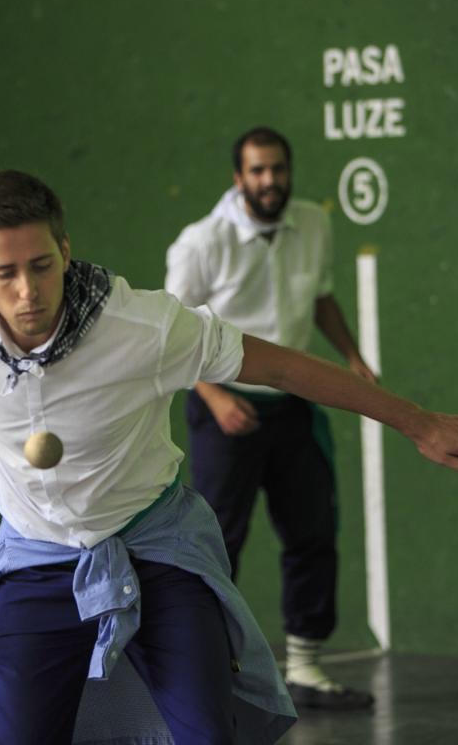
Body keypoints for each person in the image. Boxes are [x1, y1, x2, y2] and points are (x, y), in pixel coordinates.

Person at [0, 169, 458, 745]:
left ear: (65, 250)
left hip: (155, 555)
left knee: (207, 734)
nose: (28, 291)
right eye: (5, 273)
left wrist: (417, 421)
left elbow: (282, 367)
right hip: (35, 562)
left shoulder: (144, 327)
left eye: (42, 265)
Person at [165, 126, 382, 710]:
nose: (270, 180)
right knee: (218, 542)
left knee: (314, 531)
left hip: (293, 406)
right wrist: (216, 398)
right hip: (225, 407)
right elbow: (171, 336)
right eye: (257, 171)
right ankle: (210, 673)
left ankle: (306, 667)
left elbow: (321, 296)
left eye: (278, 169)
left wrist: (351, 356)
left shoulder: (313, 223)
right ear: (238, 178)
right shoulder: (200, 242)